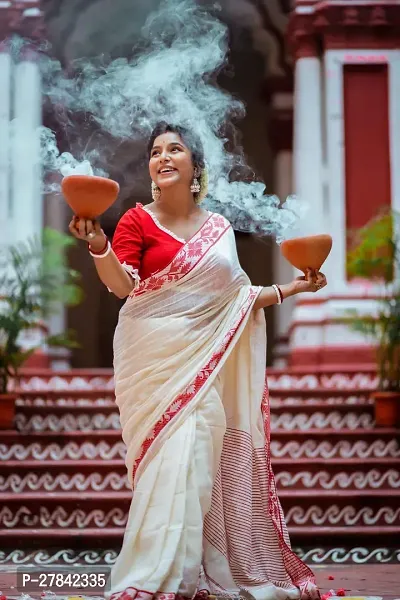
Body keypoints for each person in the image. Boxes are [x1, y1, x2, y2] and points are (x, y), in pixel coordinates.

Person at [69, 122, 325, 600]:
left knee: (199, 445)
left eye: (175, 149)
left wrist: (296, 288)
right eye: (155, 152)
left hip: (203, 365)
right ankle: (152, 578)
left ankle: (192, 574)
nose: (162, 157)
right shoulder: (135, 221)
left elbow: (237, 299)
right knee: (168, 458)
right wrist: (98, 245)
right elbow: (124, 286)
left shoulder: (219, 229)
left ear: (195, 168)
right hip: (153, 360)